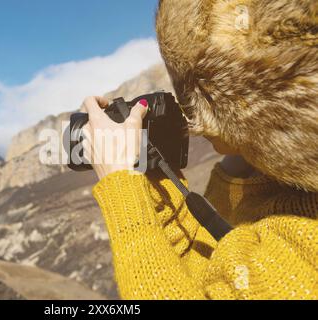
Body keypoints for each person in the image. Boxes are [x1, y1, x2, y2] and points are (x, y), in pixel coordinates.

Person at [81, 0, 317, 299]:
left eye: (198, 96)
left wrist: (122, 191)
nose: (190, 119)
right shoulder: (251, 171)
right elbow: (211, 266)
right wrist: (158, 185)